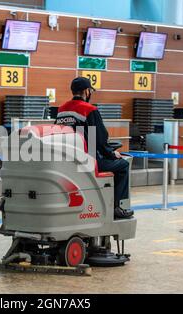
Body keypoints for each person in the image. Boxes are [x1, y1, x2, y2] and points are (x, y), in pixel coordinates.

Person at [55, 77, 134, 220]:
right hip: (87, 161)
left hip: (67, 161)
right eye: (90, 90)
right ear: (86, 91)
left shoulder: (61, 110)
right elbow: (99, 139)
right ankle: (116, 207)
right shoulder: (89, 110)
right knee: (123, 165)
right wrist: (111, 153)